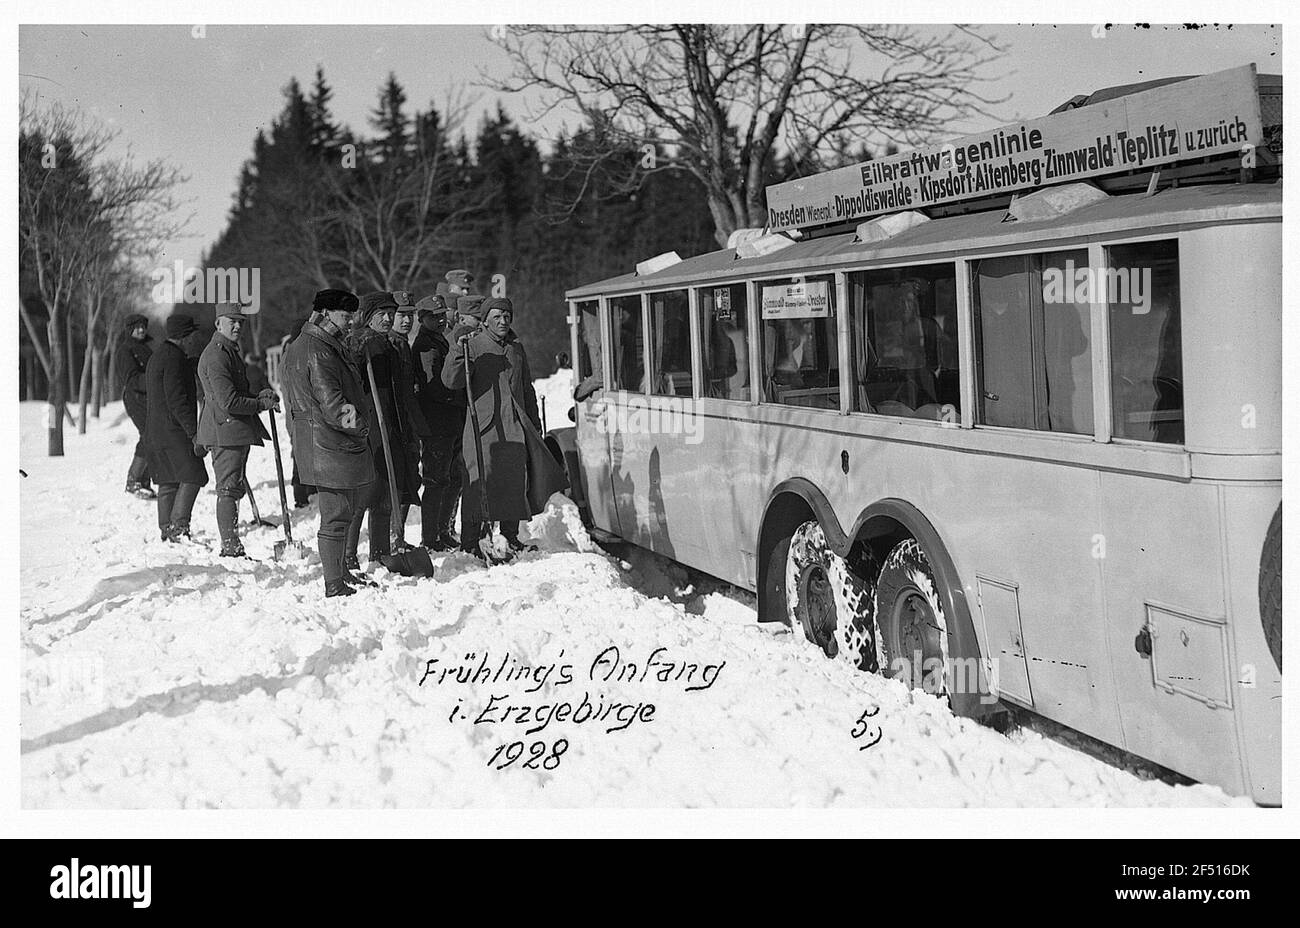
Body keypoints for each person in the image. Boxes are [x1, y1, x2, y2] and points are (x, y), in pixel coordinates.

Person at [442, 295, 568, 561]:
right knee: (478, 482)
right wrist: (457, 351)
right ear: (485, 320)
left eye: (506, 316)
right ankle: (471, 541)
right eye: (496, 317)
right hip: (482, 427)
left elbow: (526, 387)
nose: (502, 321)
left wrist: (534, 421)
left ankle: (510, 536)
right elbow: (451, 381)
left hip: (514, 424)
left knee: (514, 480)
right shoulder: (473, 346)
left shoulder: (516, 347)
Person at [281, 288, 376, 597]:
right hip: (329, 444)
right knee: (335, 516)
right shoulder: (317, 350)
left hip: (330, 442)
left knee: (343, 513)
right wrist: (362, 427)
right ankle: (334, 583)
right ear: (323, 314)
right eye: (345, 316)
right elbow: (334, 405)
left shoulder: (321, 344)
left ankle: (342, 573)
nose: (350, 322)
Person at [196, 302, 277, 558]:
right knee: (229, 488)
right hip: (225, 431)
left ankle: (232, 543)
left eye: (240, 321)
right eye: (232, 321)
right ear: (218, 323)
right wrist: (260, 404)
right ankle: (230, 547)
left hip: (231, 430)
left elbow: (237, 392)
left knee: (233, 486)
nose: (237, 326)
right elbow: (229, 402)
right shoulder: (217, 355)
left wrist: (258, 394)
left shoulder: (229, 350)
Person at [343, 291, 406, 568]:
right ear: (368, 317)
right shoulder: (358, 341)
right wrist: (359, 351)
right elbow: (347, 377)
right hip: (368, 427)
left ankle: (379, 553)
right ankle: (347, 554)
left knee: (384, 493)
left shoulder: (390, 344)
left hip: (389, 424)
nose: (388, 318)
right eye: (382, 314)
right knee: (363, 494)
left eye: (391, 313)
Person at [145, 312, 208, 541]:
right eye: (191, 334)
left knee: (167, 480)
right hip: (175, 431)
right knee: (194, 475)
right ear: (184, 335)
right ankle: (179, 527)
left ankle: (167, 529)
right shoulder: (174, 358)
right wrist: (194, 433)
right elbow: (177, 400)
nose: (194, 339)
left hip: (155, 431)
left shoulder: (159, 355)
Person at [411, 292, 466, 551]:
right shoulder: (425, 347)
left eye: (443, 316)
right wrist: (458, 397)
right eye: (434, 317)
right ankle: (431, 538)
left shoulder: (437, 341)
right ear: (422, 319)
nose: (441, 320)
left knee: (451, 477)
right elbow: (434, 387)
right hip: (436, 425)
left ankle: (442, 532)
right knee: (435, 482)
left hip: (448, 423)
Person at [388, 291, 429, 546]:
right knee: (398, 482)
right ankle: (393, 537)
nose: (406, 321)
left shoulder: (403, 343)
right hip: (397, 425)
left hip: (409, 423)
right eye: (401, 315)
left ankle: (398, 535)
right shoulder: (391, 344)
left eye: (410, 315)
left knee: (410, 480)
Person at [115, 313, 156, 498]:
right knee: (149, 434)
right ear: (130, 329)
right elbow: (131, 379)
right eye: (137, 327)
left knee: (153, 435)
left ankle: (143, 482)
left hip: (149, 398)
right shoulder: (125, 350)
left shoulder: (145, 348)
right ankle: (133, 481)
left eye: (143, 327)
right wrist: (155, 379)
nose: (141, 330)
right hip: (135, 398)